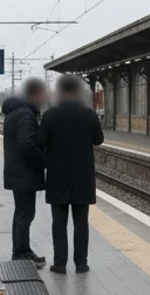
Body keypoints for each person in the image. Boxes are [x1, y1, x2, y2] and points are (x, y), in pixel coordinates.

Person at [37, 74, 104, 274]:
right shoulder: (89, 114)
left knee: (59, 222)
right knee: (81, 222)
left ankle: (60, 263)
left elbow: (40, 142)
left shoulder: (50, 115)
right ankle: (81, 263)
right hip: (83, 176)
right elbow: (98, 140)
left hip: (58, 176)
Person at [2, 78, 48, 267]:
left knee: (21, 212)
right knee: (25, 214)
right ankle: (21, 252)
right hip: (24, 173)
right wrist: (42, 162)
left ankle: (21, 249)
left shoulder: (14, 112)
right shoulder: (25, 115)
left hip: (17, 171)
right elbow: (27, 143)